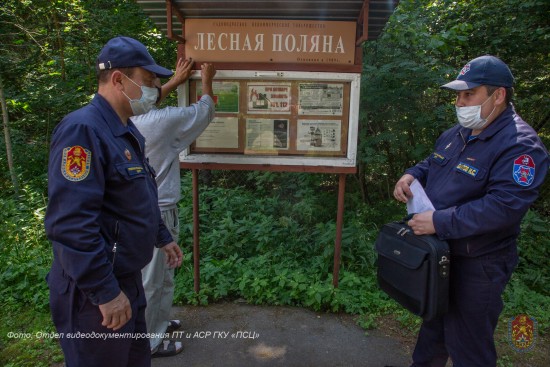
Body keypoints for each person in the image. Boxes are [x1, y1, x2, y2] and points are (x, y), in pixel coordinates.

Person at [393, 55, 548, 367]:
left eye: (469, 94)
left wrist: (439, 221)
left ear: (498, 95)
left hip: (479, 264)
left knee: (468, 346)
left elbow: (504, 207)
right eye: (458, 96)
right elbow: (430, 163)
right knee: (432, 333)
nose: (460, 103)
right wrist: (411, 175)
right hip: (441, 257)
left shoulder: (521, 146)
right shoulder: (457, 134)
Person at [44, 36, 183, 367]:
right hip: (95, 295)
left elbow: (134, 197)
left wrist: (161, 237)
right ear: (119, 79)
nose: (154, 89)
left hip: (127, 280)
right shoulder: (82, 131)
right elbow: (71, 223)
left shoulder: (124, 130)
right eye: (149, 81)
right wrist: (105, 292)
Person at [132, 58, 216, 357]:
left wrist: (176, 82)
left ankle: (160, 322)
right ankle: (150, 343)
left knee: (164, 274)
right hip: (158, 212)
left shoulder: (127, 119)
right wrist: (207, 80)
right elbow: (203, 111)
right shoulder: (159, 121)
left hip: (154, 209)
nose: (157, 88)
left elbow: (146, 103)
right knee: (153, 280)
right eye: (152, 82)